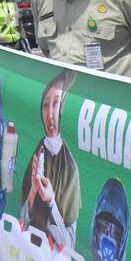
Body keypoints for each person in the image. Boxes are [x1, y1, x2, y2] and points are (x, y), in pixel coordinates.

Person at [20, 69, 82, 250]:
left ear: (63, 108)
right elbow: (22, 222)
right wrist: (32, 192)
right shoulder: (37, 154)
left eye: (55, 104)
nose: (49, 115)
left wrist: (50, 202)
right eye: (45, 105)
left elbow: (68, 244)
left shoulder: (70, 169)